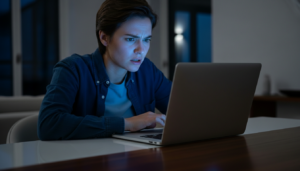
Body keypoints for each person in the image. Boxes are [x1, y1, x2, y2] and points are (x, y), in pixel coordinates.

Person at [38, 0, 172, 140]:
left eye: (146, 40)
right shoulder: (73, 69)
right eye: (131, 39)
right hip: (87, 159)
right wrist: (125, 124)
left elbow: (183, 110)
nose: (141, 50)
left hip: (137, 158)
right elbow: (49, 124)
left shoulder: (147, 70)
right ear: (104, 38)